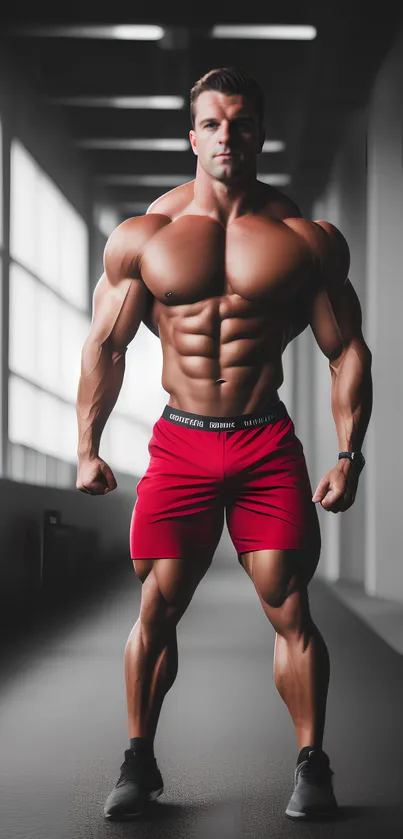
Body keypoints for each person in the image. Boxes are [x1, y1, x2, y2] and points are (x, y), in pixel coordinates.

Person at [76, 67, 372, 822]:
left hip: (265, 442)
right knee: (158, 605)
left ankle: (312, 764)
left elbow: (347, 350)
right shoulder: (148, 235)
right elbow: (105, 345)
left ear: (259, 133)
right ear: (191, 136)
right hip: (181, 443)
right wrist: (87, 446)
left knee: (288, 602)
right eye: (211, 123)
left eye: (239, 123)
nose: (226, 136)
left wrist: (348, 454)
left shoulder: (302, 240)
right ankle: (138, 761)